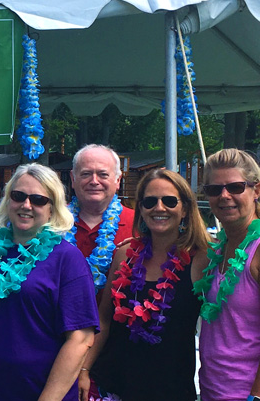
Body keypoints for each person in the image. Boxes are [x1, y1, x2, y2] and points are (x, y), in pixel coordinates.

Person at [0, 163, 99, 401]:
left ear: (52, 208)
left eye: (38, 199)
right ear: (8, 200)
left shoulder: (67, 259)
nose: (26, 205)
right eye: (18, 196)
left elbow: (80, 338)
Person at [78, 168, 209, 401]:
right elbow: (104, 319)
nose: (159, 208)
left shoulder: (203, 258)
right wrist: (84, 369)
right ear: (141, 208)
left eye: (169, 201)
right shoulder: (125, 253)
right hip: (111, 385)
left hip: (171, 389)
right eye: (150, 201)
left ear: (185, 208)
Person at [195, 148, 260, 401]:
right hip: (211, 390)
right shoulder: (216, 250)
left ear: (256, 191)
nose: (224, 196)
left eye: (235, 187)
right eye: (214, 189)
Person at [68, 144, 135, 292]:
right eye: (85, 174)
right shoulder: (52, 222)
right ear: (73, 178)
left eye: (103, 174)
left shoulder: (139, 224)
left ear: (118, 180)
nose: (94, 181)